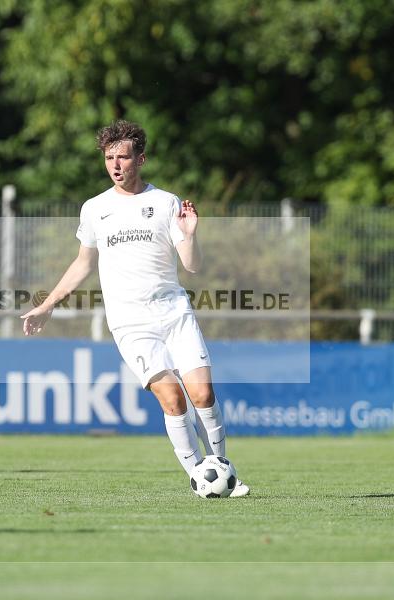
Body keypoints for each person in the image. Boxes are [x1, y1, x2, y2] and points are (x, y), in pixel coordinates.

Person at [21, 120, 249, 496]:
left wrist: (190, 236)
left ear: (140, 159)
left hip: (174, 312)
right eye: (109, 157)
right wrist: (47, 305)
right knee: (173, 400)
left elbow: (192, 266)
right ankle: (199, 478)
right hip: (129, 322)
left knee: (203, 395)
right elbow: (82, 264)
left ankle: (225, 471)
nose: (115, 164)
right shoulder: (95, 209)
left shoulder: (165, 202)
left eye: (123, 157)